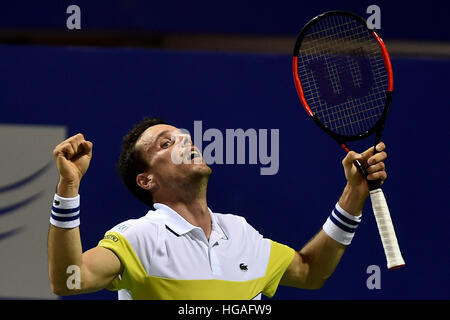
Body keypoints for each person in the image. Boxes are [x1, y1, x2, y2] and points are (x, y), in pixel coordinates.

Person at [47, 118, 388, 299]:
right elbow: (68, 280)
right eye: (166, 144)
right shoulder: (139, 238)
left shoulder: (240, 232)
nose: (184, 142)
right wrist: (69, 187)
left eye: (183, 137)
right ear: (147, 180)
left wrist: (353, 193)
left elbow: (312, 272)